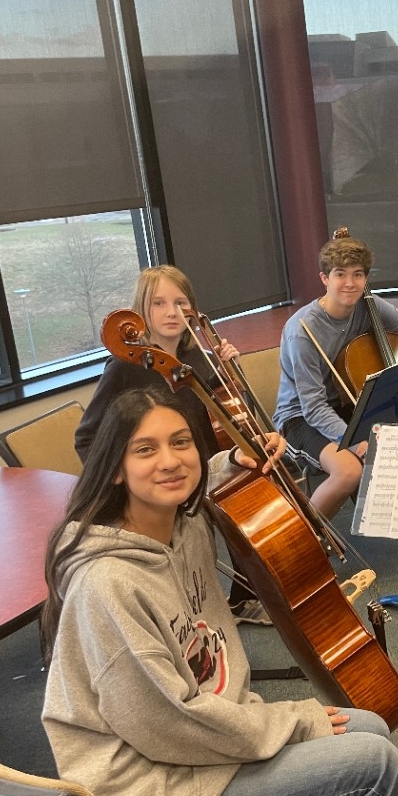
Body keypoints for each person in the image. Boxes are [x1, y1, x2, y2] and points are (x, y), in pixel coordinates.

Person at [41, 386, 398, 796]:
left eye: (181, 442)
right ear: (113, 469)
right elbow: (170, 725)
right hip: (155, 793)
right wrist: (296, 720)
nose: (169, 461)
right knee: (373, 766)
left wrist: (235, 455)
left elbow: (208, 476)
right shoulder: (107, 585)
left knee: (370, 727)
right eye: (145, 450)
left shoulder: (181, 522)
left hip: (205, 747)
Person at [75, 264, 267, 624]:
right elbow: (87, 437)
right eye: (159, 303)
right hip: (160, 482)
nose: (171, 312)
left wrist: (232, 374)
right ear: (141, 312)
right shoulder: (124, 368)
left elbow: (223, 417)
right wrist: (127, 481)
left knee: (251, 494)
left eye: (180, 302)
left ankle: (243, 596)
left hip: (207, 468)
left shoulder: (197, 358)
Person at [274, 233, 398, 519]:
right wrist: (357, 443)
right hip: (300, 418)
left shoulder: (370, 306)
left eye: (358, 274)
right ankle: (310, 538)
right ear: (324, 278)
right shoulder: (301, 330)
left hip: (348, 403)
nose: (350, 283)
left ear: (366, 279)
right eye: (340, 274)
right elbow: (313, 407)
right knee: (349, 471)